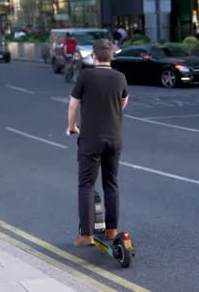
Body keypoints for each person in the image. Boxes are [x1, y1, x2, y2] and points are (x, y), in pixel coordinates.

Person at [66, 39, 129, 247]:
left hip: (91, 139)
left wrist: (72, 127)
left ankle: (87, 235)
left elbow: (73, 105)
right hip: (114, 138)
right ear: (111, 56)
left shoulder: (86, 76)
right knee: (111, 183)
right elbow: (123, 102)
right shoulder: (120, 77)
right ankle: (112, 230)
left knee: (86, 184)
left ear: (94, 56)